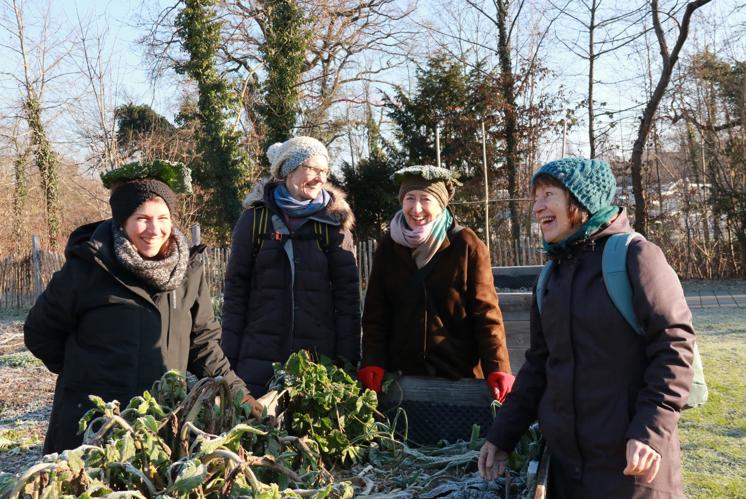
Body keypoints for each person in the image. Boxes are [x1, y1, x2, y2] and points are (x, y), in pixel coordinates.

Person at [478, 157, 695, 498]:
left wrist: (649, 432)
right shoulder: (551, 275)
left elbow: (675, 348)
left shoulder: (637, 257)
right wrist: (502, 435)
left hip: (631, 467)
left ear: (581, 201)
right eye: (536, 198)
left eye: (548, 195)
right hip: (567, 470)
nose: (538, 207)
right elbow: (538, 366)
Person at [24, 161, 260, 455]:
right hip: (92, 422)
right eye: (142, 218)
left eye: (163, 218)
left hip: (161, 421)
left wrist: (241, 396)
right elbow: (39, 333)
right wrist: (83, 373)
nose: (154, 229)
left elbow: (203, 345)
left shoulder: (187, 273)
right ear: (122, 221)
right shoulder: (88, 268)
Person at [358, 165, 513, 402]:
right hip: (401, 382)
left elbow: (486, 313)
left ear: (440, 204)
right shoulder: (389, 247)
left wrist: (498, 366)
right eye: (410, 198)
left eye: (425, 199)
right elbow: (376, 314)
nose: (416, 208)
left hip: (458, 378)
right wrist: (373, 360)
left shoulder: (467, 245)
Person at [221, 136, 361, 396]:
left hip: (318, 363)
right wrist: (228, 360)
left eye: (324, 171)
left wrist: (348, 362)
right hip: (258, 360)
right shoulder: (254, 221)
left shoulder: (332, 224)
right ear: (288, 170)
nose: (320, 178)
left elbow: (347, 298)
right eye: (312, 169)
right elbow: (235, 293)